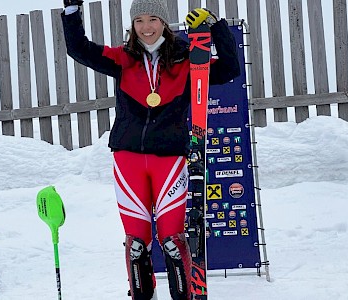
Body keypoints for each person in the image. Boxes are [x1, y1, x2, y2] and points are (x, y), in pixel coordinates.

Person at [61, 0, 240, 299]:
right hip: (127, 157)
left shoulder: (187, 59)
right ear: (132, 25)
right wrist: (71, 12)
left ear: (165, 23)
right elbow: (79, 49)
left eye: (153, 19)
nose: (146, 27)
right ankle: (143, 294)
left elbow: (230, 69)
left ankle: (184, 294)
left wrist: (216, 27)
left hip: (169, 159)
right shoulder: (122, 58)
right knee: (136, 244)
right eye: (140, 20)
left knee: (172, 239)